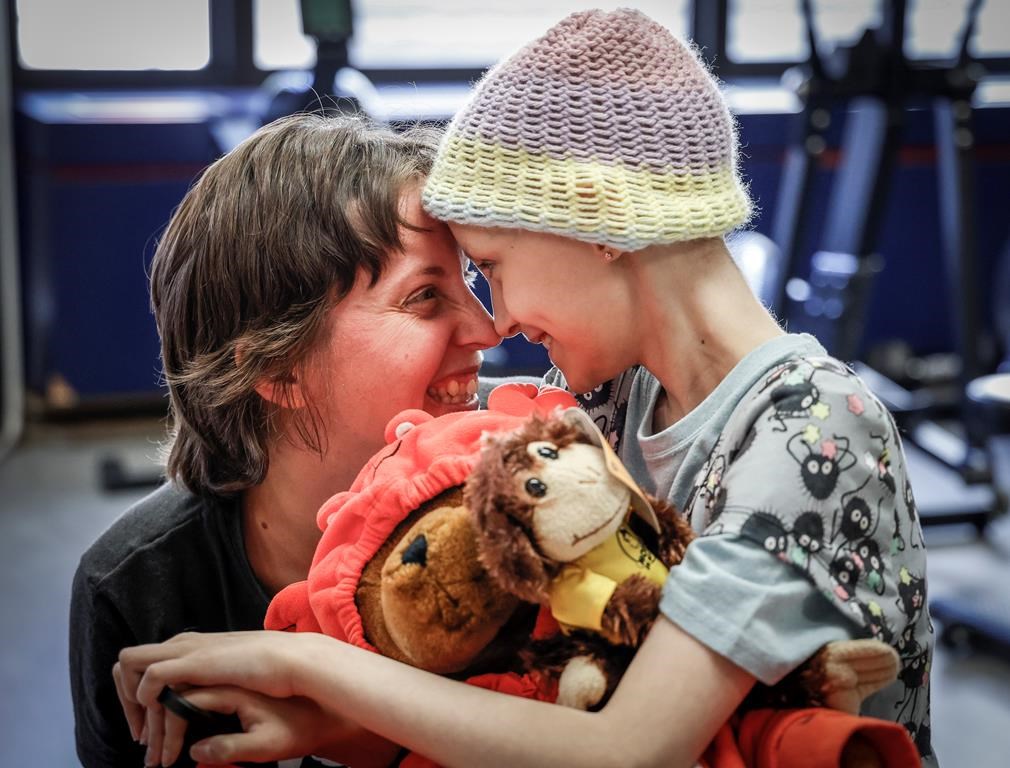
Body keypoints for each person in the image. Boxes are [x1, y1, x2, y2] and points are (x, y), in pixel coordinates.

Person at [114, 10, 935, 768]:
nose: (498, 318)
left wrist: (307, 661)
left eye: (495, 268)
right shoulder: (608, 399)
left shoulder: (814, 431)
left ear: (597, 218)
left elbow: (628, 750)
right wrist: (341, 726)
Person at [69, 113, 501, 768]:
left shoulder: (533, 489)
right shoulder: (139, 589)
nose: (487, 330)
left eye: (469, 281)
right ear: (276, 369)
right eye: (424, 297)